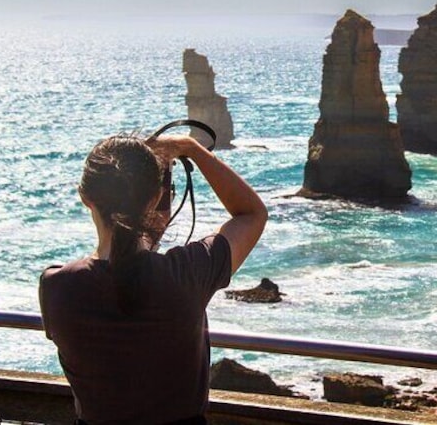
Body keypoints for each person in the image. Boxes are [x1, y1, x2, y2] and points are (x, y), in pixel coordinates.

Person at [39, 133, 267, 425]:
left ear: (85, 198)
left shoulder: (57, 285)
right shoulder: (188, 272)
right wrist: (191, 149)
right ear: (156, 198)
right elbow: (251, 214)